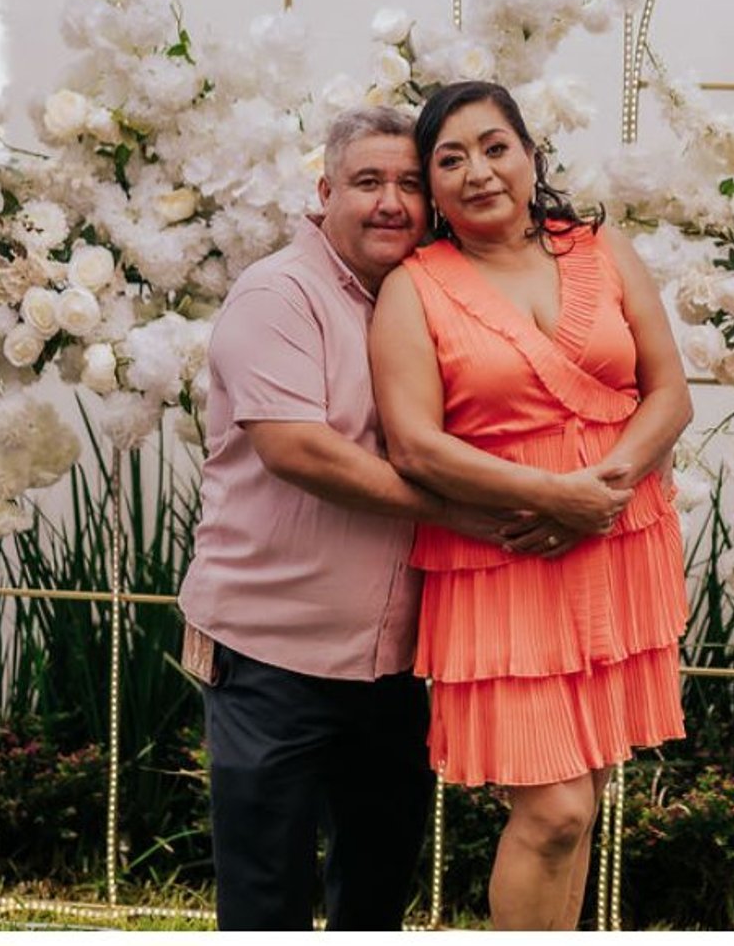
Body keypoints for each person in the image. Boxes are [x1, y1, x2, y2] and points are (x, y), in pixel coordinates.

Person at [176, 106, 580, 931]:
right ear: (324, 193)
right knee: (266, 898)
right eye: (367, 182)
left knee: (375, 890)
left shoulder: (433, 294)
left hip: (391, 663)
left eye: (407, 183)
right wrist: (463, 513)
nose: (391, 201)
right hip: (270, 655)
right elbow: (301, 451)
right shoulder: (280, 294)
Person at [370, 80, 692, 931]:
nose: (478, 171)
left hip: (616, 541)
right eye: (450, 159)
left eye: (493, 146)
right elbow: (415, 444)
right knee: (553, 809)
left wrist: (604, 493)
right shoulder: (415, 288)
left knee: (583, 797)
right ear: (432, 189)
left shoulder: (601, 248)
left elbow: (668, 394)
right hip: (505, 556)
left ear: (529, 152)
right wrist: (557, 496)